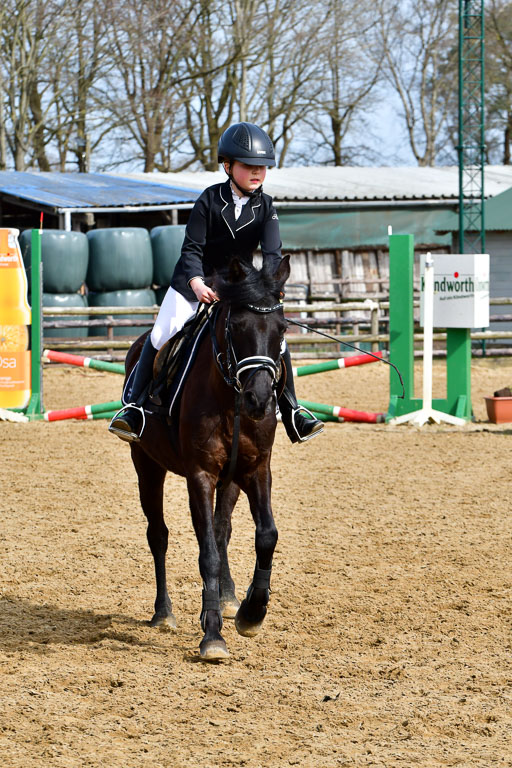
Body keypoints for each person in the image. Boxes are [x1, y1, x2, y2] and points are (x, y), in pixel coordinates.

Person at [110, 122, 323, 445]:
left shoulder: (266, 207)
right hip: (193, 282)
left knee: (275, 339)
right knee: (163, 330)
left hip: (239, 287)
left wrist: (269, 287)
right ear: (228, 166)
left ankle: (292, 410)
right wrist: (196, 283)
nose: (257, 173)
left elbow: (271, 254)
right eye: (249, 166)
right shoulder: (209, 200)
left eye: (262, 167)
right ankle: (134, 407)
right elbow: (192, 249)